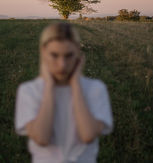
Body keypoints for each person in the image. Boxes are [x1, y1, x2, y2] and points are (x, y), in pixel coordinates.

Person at [14, 22, 113, 163]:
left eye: (69, 55)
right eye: (54, 55)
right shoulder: (29, 91)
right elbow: (41, 138)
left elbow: (88, 135)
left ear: (78, 52)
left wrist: (76, 85)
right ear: (43, 51)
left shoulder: (96, 89)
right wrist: (49, 87)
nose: (62, 64)